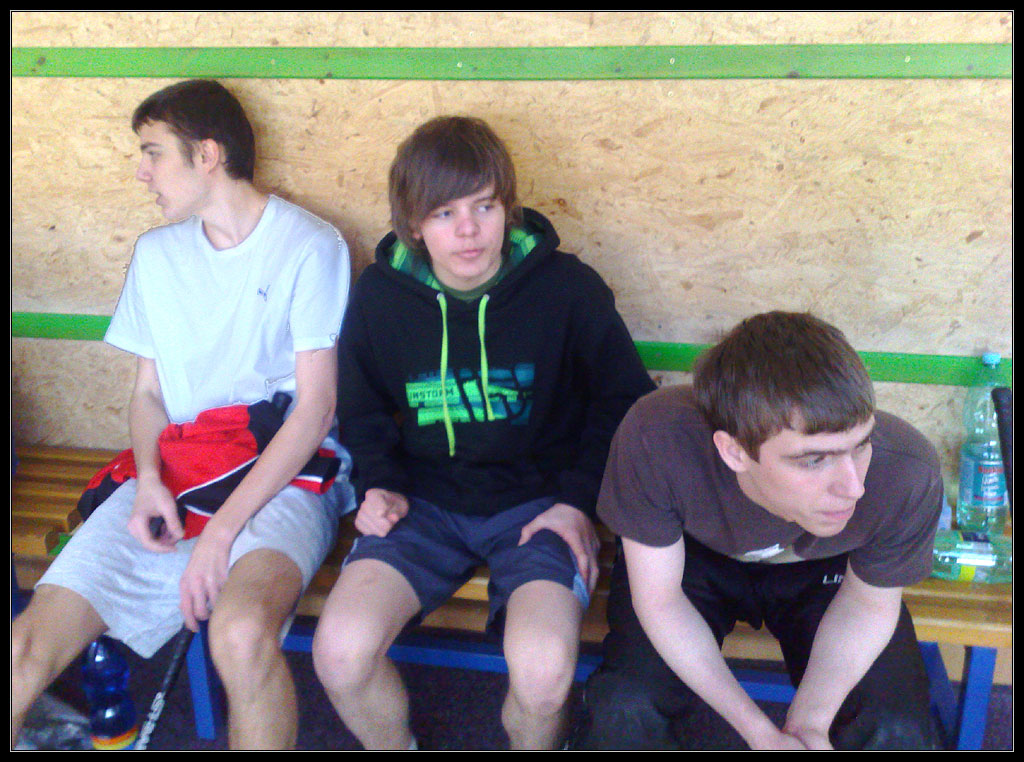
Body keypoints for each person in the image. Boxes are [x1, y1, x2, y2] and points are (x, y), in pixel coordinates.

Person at [11, 79, 351, 749]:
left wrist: (221, 533)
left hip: (288, 473)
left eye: (153, 152)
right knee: (24, 647)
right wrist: (147, 482)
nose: (142, 173)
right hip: (178, 469)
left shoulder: (310, 244)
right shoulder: (156, 255)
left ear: (208, 154)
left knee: (240, 633)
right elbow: (148, 397)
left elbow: (315, 412)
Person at [311, 115, 655, 750]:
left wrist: (577, 501)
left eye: (484, 206)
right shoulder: (380, 296)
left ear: (508, 209)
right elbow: (360, 408)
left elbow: (625, 402)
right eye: (444, 213)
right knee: (340, 654)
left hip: (539, 506)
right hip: (421, 504)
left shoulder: (568, 288)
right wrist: (379, 483)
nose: (468, 229)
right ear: (413, 224)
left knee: (543, 671)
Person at [574, 311, 943, 750]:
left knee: (896, 727)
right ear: (733, 451)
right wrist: (759, 733)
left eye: (861, 445)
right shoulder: (656, 436)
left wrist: (810, 723)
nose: (853, 487)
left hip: (823, 565)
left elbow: (868, 605)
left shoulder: (907, 471)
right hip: (692, 554)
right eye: (814, 460)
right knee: (627, 708)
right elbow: (661, 601)